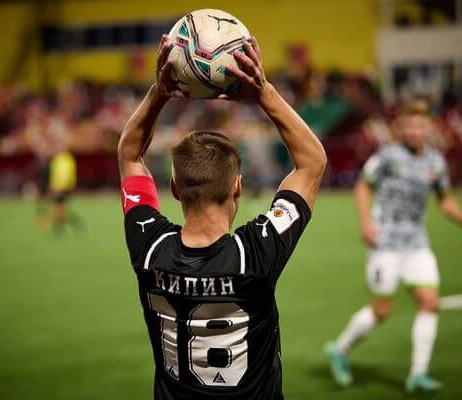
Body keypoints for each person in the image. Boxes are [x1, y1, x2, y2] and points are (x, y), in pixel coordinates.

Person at [118, 35, 326, 400]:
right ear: (237, 187)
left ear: (175, 189)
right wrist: (263, 92)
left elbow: (129, 155)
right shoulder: (254, 255)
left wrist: (159, 92)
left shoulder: (149, 247)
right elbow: (312, 162)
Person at [325, 100, 462, 393]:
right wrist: (366, 223)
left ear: (428, 127)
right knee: (382, 310)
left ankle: (418, 374)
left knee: (430, 303)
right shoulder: (387, 156)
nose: (414, 131)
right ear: (401, 128)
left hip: (417, 243)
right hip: (385, 243)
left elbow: (445, 199)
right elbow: (362, 186)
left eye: (419, 126)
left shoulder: (435, 162)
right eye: (409, 126)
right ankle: (339, 350)